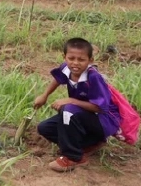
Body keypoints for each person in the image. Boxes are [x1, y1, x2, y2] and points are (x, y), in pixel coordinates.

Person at [33, 37, 122, 173]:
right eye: (71, 58)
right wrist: (45, 95)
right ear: (65, 57)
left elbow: (100, 107)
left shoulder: (93, 77)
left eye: (81, 60)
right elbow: (58, 79)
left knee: (67, 111)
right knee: (45, 128)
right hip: (82, 116)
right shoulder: (66, 68)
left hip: (103, 120)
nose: (75, 63)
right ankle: (91, 143)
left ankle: (73, 157)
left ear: (90, 60)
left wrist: (71, 101)